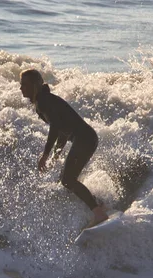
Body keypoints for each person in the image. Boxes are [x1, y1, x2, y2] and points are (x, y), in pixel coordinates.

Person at [20, 69, 108, 227]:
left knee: (67, 179)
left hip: (84, 139)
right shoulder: (45, 100)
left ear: (34, 85)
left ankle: (98, 212)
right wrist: (56, 155)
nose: (21, 88)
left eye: (24, 85)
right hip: (87, 138)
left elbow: (55, 127)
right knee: (66, 179)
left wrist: (45, 155)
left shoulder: (43, 102)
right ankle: (99, 205)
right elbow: (63, 130)